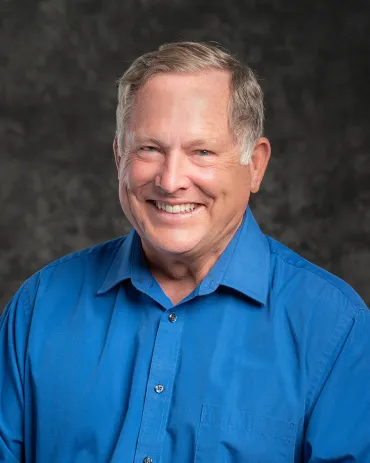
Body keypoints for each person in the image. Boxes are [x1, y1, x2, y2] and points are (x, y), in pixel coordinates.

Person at [0, 41, 369, 463]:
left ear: (257, 165)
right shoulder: (39, 306)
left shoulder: (334, 328)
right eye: (149, 148)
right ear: (120, 157)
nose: (171, 180)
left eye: (202, 152)